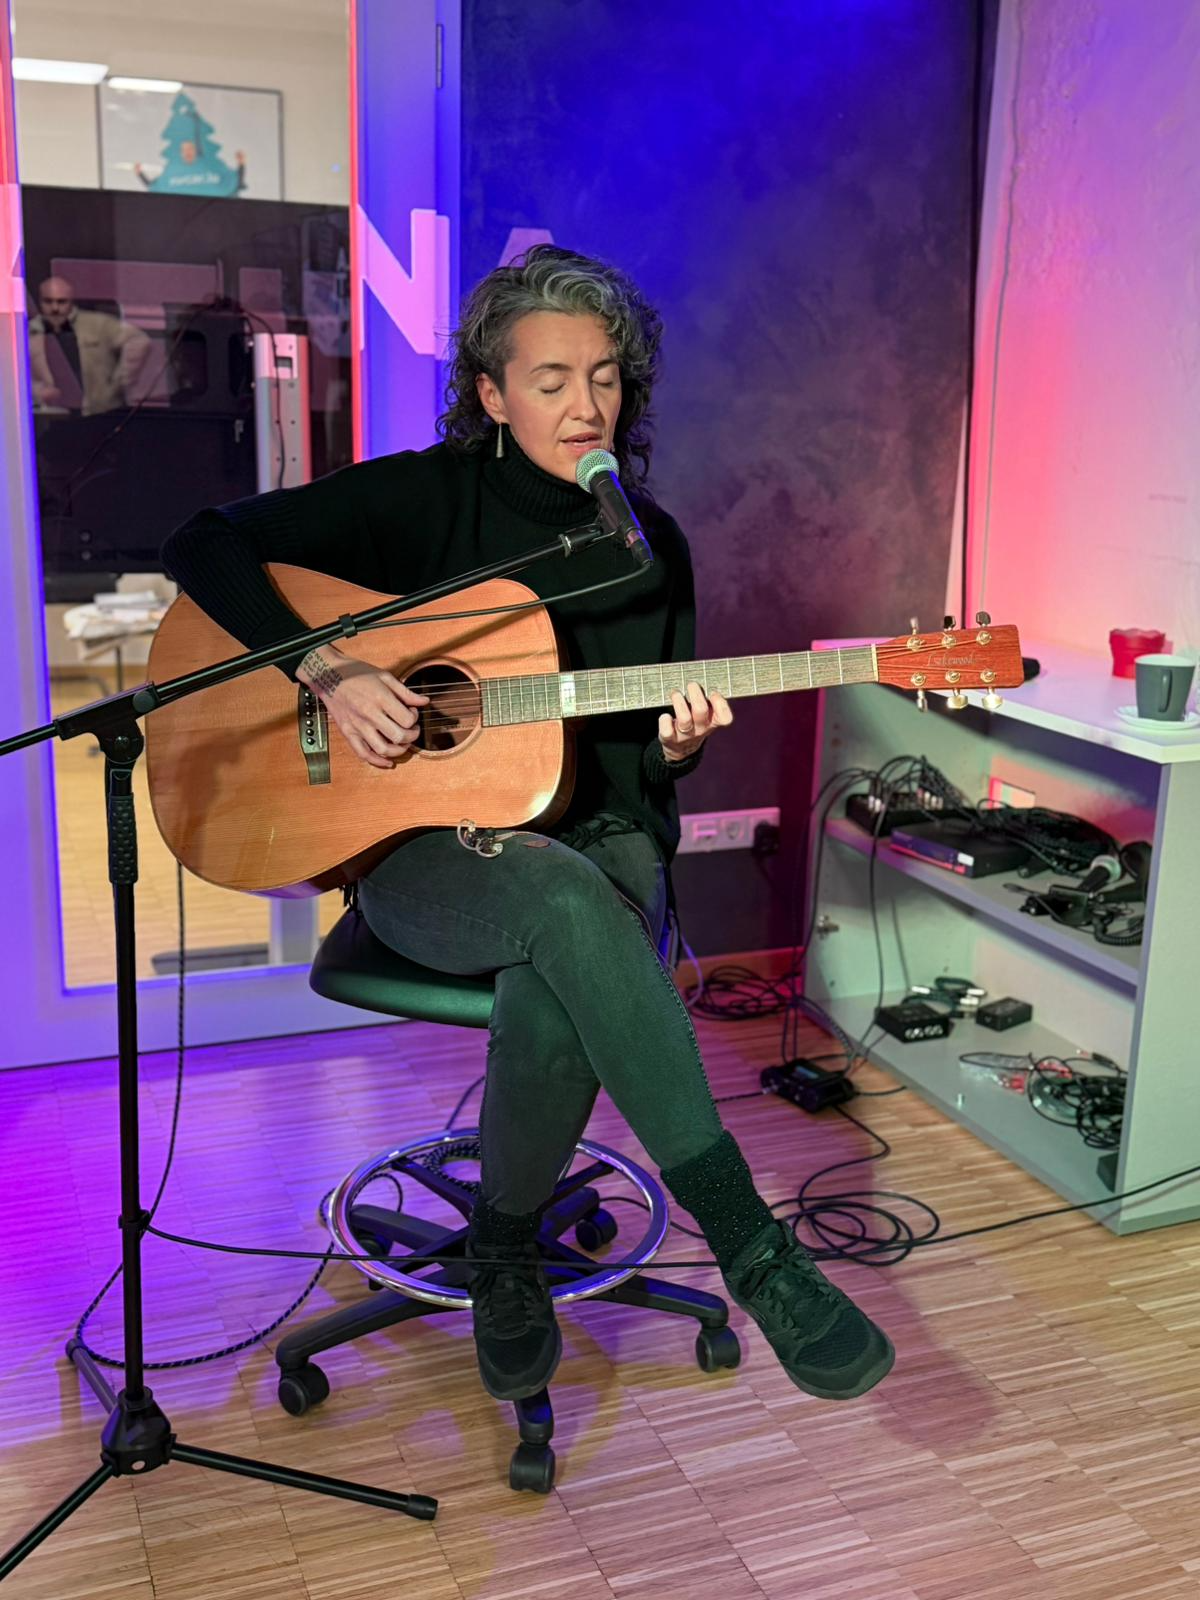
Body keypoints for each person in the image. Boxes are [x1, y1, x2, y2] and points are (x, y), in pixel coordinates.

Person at [161, 245, 894, 1406]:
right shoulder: (424, 499)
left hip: (602, 835)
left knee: (565, 950)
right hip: (418, 850)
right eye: (551, 380)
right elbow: (200, 542)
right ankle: (753, 1246)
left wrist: (677, 748)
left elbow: (647, 756)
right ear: (493, 394)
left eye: (604, 377)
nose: (585, 404)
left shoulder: (650, 543)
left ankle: (504, 1248)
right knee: (559, 902)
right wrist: (327, 667)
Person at [28, 276, 151, 415]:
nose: (55, 308)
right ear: (40, 302)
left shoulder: (97, 324)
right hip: (54, 414)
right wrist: (37, 392)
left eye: (61, 302)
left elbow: (139, 340)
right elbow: (17, 377)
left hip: (100, 411)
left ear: (71, 302)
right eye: (48, 301)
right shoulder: (27, 333)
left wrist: (118, 384)